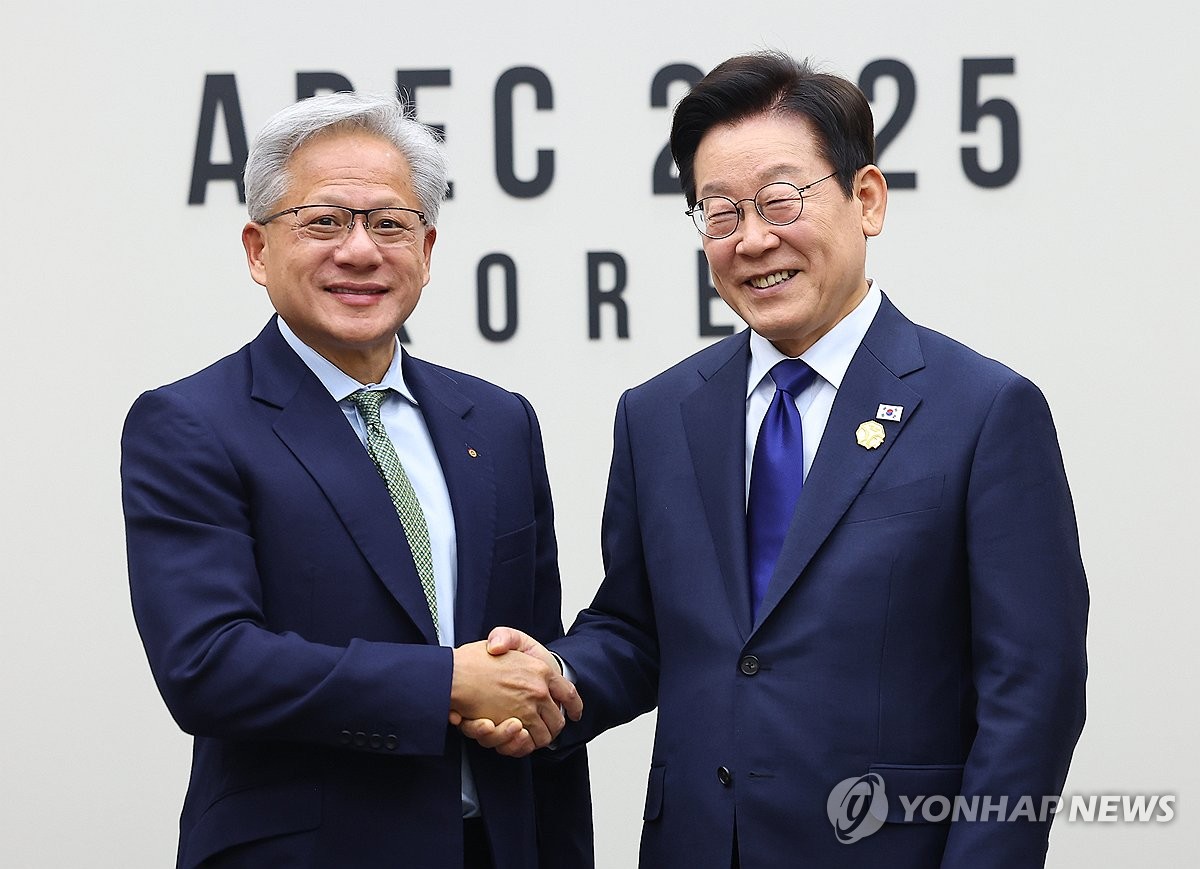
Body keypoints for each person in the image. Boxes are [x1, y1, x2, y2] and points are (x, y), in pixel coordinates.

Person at [466, 52, 1088, 868]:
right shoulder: (659, 414)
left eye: (781, 200)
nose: (754, 240)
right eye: (719, 213)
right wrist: (548, 679)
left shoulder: (983, 410)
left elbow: (1032, 695)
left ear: (866, 199)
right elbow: (639, 629)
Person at [121, 92, 592, 869]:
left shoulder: (499, 422)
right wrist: (446, 682)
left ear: (428, 250)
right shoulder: (191, 424)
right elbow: (208, 663)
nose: (361, 251)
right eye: (324, 220)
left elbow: (529, 675)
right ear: (257, 248)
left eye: (390, 223)